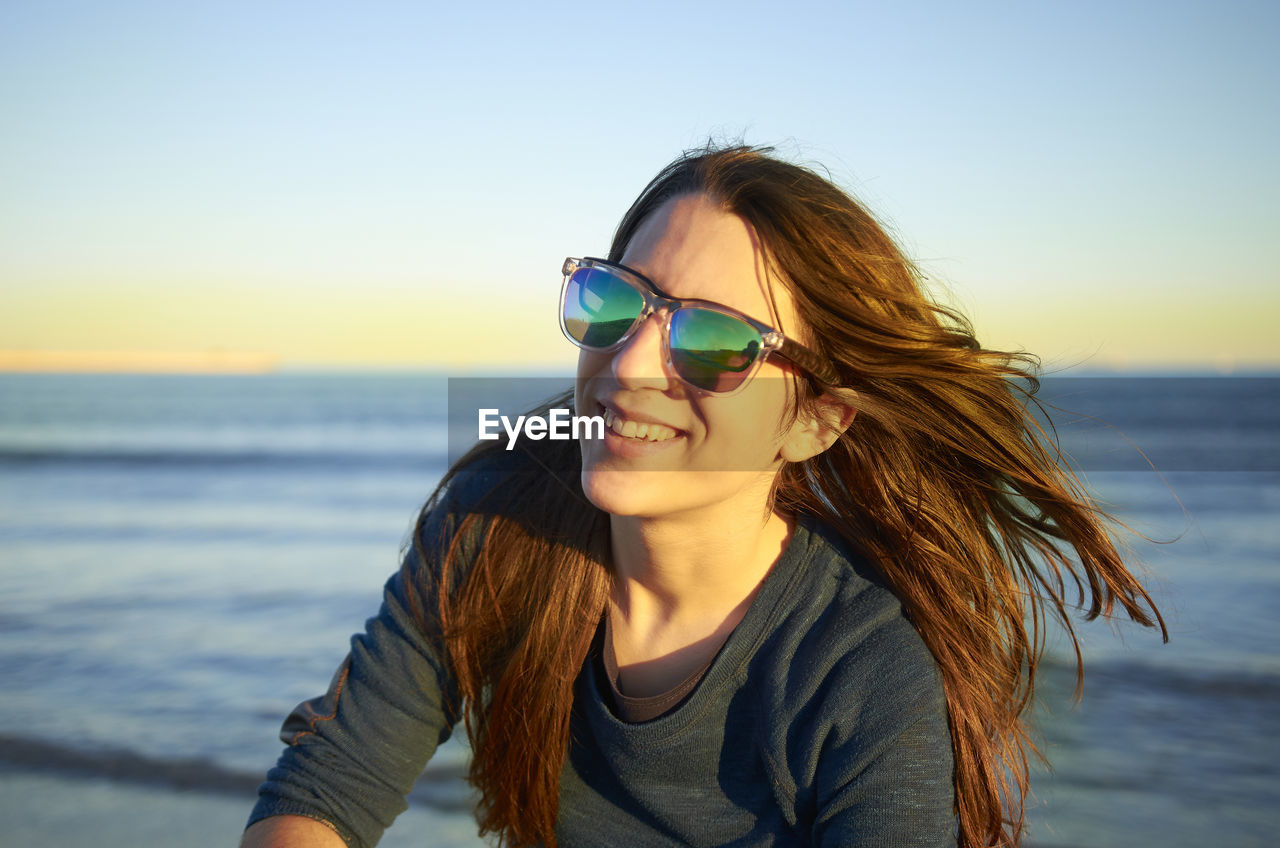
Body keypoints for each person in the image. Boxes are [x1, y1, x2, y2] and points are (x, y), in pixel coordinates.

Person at [242, 145, 1166, 848]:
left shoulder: (858, 664)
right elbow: (325, 790)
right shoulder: (498, 521)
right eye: (616, 302)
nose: (631, 366)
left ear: (817, 421)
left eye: (716, 343)